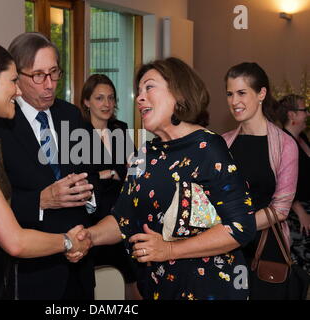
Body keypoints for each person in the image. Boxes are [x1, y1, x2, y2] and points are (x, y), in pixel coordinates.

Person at [71, 57, 257, 300]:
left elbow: (240, 227)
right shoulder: (143, 155)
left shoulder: (208, 147)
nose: (139, 98)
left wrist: (169, 249)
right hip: (157, 289)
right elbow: (123, 219)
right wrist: (89, 237)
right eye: (138, 91)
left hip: (207, 289)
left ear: (178, 93)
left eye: (149, 87)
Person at [0, 40, 92, 299]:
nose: (49, 84)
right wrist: (41, 201)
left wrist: (89, 196)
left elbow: (93, 176)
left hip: (80, 264)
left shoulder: (71, 115)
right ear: (17, 77)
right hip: (30, 273)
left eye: (54, 73)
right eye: (38, 75)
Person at [222, 62, 299, 299]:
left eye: (242, 93)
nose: (235, 101)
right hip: (225, 248)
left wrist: (235, 229)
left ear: (261, 94)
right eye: (230, 94)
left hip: (266, 249)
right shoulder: (223, 143)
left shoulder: (284, 145)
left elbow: (281, 209)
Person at [79, 74, 140, 299]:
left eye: (111, 98)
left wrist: (112, 174)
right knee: (96, 287)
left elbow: (134, 171)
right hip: (91, 216)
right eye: (99, 98)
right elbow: (79, 178)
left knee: (133, 278)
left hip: (121, 213)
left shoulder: (119, 129)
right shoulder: (78, 133)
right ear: (86, 101)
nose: (106, 104)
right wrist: (107, 174)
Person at [278, 94, 310, 274]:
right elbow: (283, 184)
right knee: (301, 268)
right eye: (304, 110)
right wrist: (301, 212)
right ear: (292, 115)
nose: (307, 114)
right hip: (297, 214)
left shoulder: (302, 137)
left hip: (307, 208)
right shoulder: (284, 141)